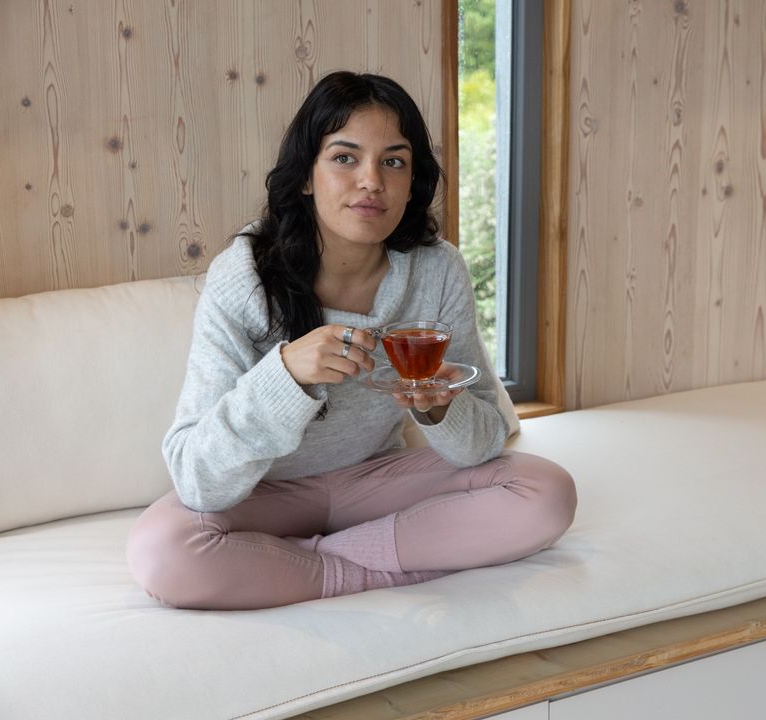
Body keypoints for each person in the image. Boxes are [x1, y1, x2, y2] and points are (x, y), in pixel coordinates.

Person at [126, 71, 577, 610]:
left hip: (374, 481)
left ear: (412, 182)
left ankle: (306, 565)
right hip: (266, 494)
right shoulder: (245, 274)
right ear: (307, 176)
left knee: (546, 492)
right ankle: (379, 568)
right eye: (345, 158)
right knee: (163, 551)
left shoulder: (436, 270)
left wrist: (438, 412)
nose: (371, 181)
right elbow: (198, 482)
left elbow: (481, 445)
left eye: (393, 161)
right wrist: (285, 374)